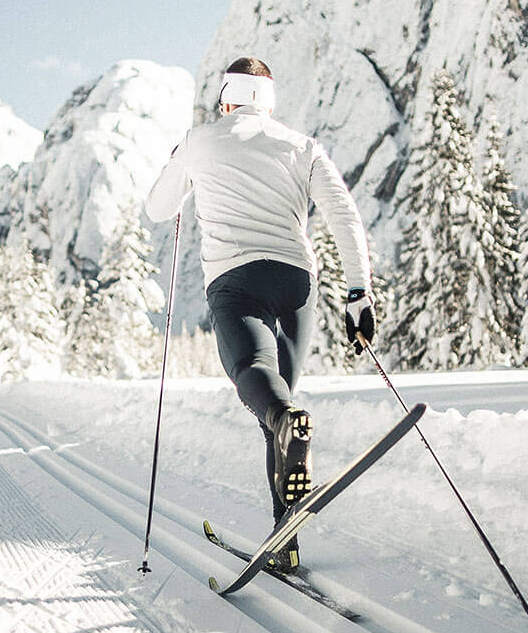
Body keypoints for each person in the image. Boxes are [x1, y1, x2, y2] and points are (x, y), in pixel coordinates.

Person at [144, 56, 376, 573]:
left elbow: (158, 208)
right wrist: (358, 293)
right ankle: (284, 537)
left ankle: (284, 506)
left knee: (259, 383)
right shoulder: (301, 146)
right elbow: (343, 214)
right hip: (296, 283)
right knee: (281, 406)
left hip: (236, 282)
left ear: (226, 97)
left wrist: (180, 158)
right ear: (269, 101)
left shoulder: (200, 139)